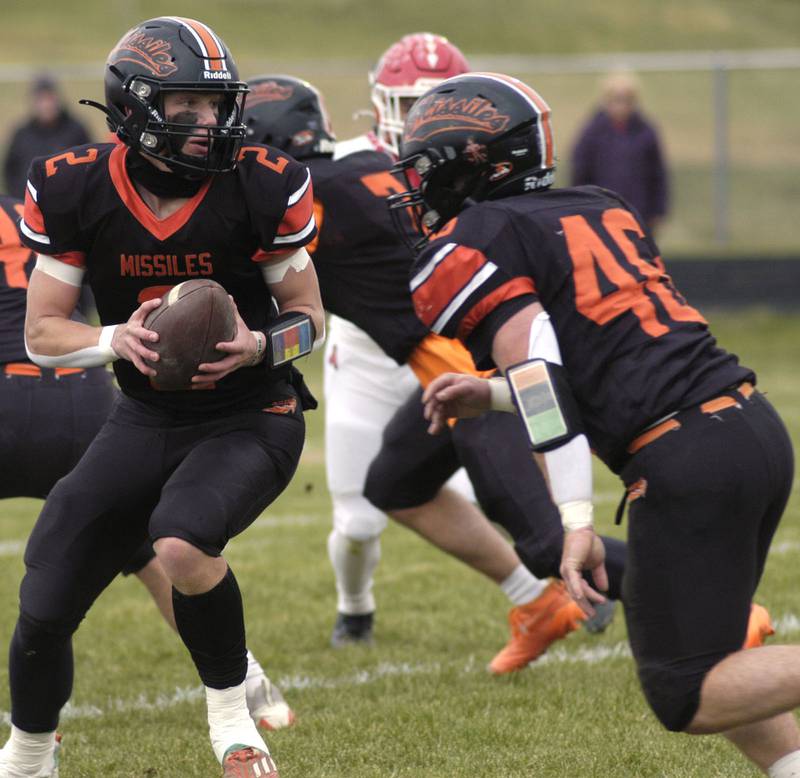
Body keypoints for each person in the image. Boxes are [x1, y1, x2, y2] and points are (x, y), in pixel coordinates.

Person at [391, 71, 794, 774]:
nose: (416, 184)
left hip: (684, 453)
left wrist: (576, 518)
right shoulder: (598, 204)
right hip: (750, 425)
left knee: (685, 692)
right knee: (718, 654)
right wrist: (488, 398)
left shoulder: (471, 242)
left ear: (468, 163)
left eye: (423, 165)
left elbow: (543, 382)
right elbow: (606, 357)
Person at [2, 16, 323, 778]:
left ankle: (232, 726)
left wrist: (255, 345)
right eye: (187, 109)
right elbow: (43, 332)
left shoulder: (263, 181)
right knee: (47, 586)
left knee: (180, 539)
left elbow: (312, 321)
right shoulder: (73, 183)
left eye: (216, 107)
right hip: (144, 416)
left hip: (254, 414)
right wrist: (116, 339)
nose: (210, 124)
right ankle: (28, 753)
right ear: (135, 110)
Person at [242, 67, 629, 675]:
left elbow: (265, 288)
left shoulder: (305, 195)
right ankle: (537, 606)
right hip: (445, 376)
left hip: (478, 372)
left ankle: (724, 611)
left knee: (552, 542)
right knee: (394, 484)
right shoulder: (351, 175)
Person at [0, 192, 295, 736]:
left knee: (71, 570)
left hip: (26, 386)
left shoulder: (63, 197)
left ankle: (36, 734)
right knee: (147, 549)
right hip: (87, 390)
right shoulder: (34, 207)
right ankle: (250, 681)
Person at [571, 71, 669, 233]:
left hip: (638, 211)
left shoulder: (645, 131)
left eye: (627, 100)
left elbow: (657, 173)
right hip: (602, 212)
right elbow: (581, 171)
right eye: (617, 100)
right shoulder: (593, 131)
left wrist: (658, 210)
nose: (622, 106)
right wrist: (582, 206)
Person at [3, 74, 92, 200]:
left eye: (49, 99)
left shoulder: (76, 131)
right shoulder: (21, 134)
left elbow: (91, 165)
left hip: (68, 207)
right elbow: (10, 171)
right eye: (41, 99)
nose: (46, 105)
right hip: (28, 206)